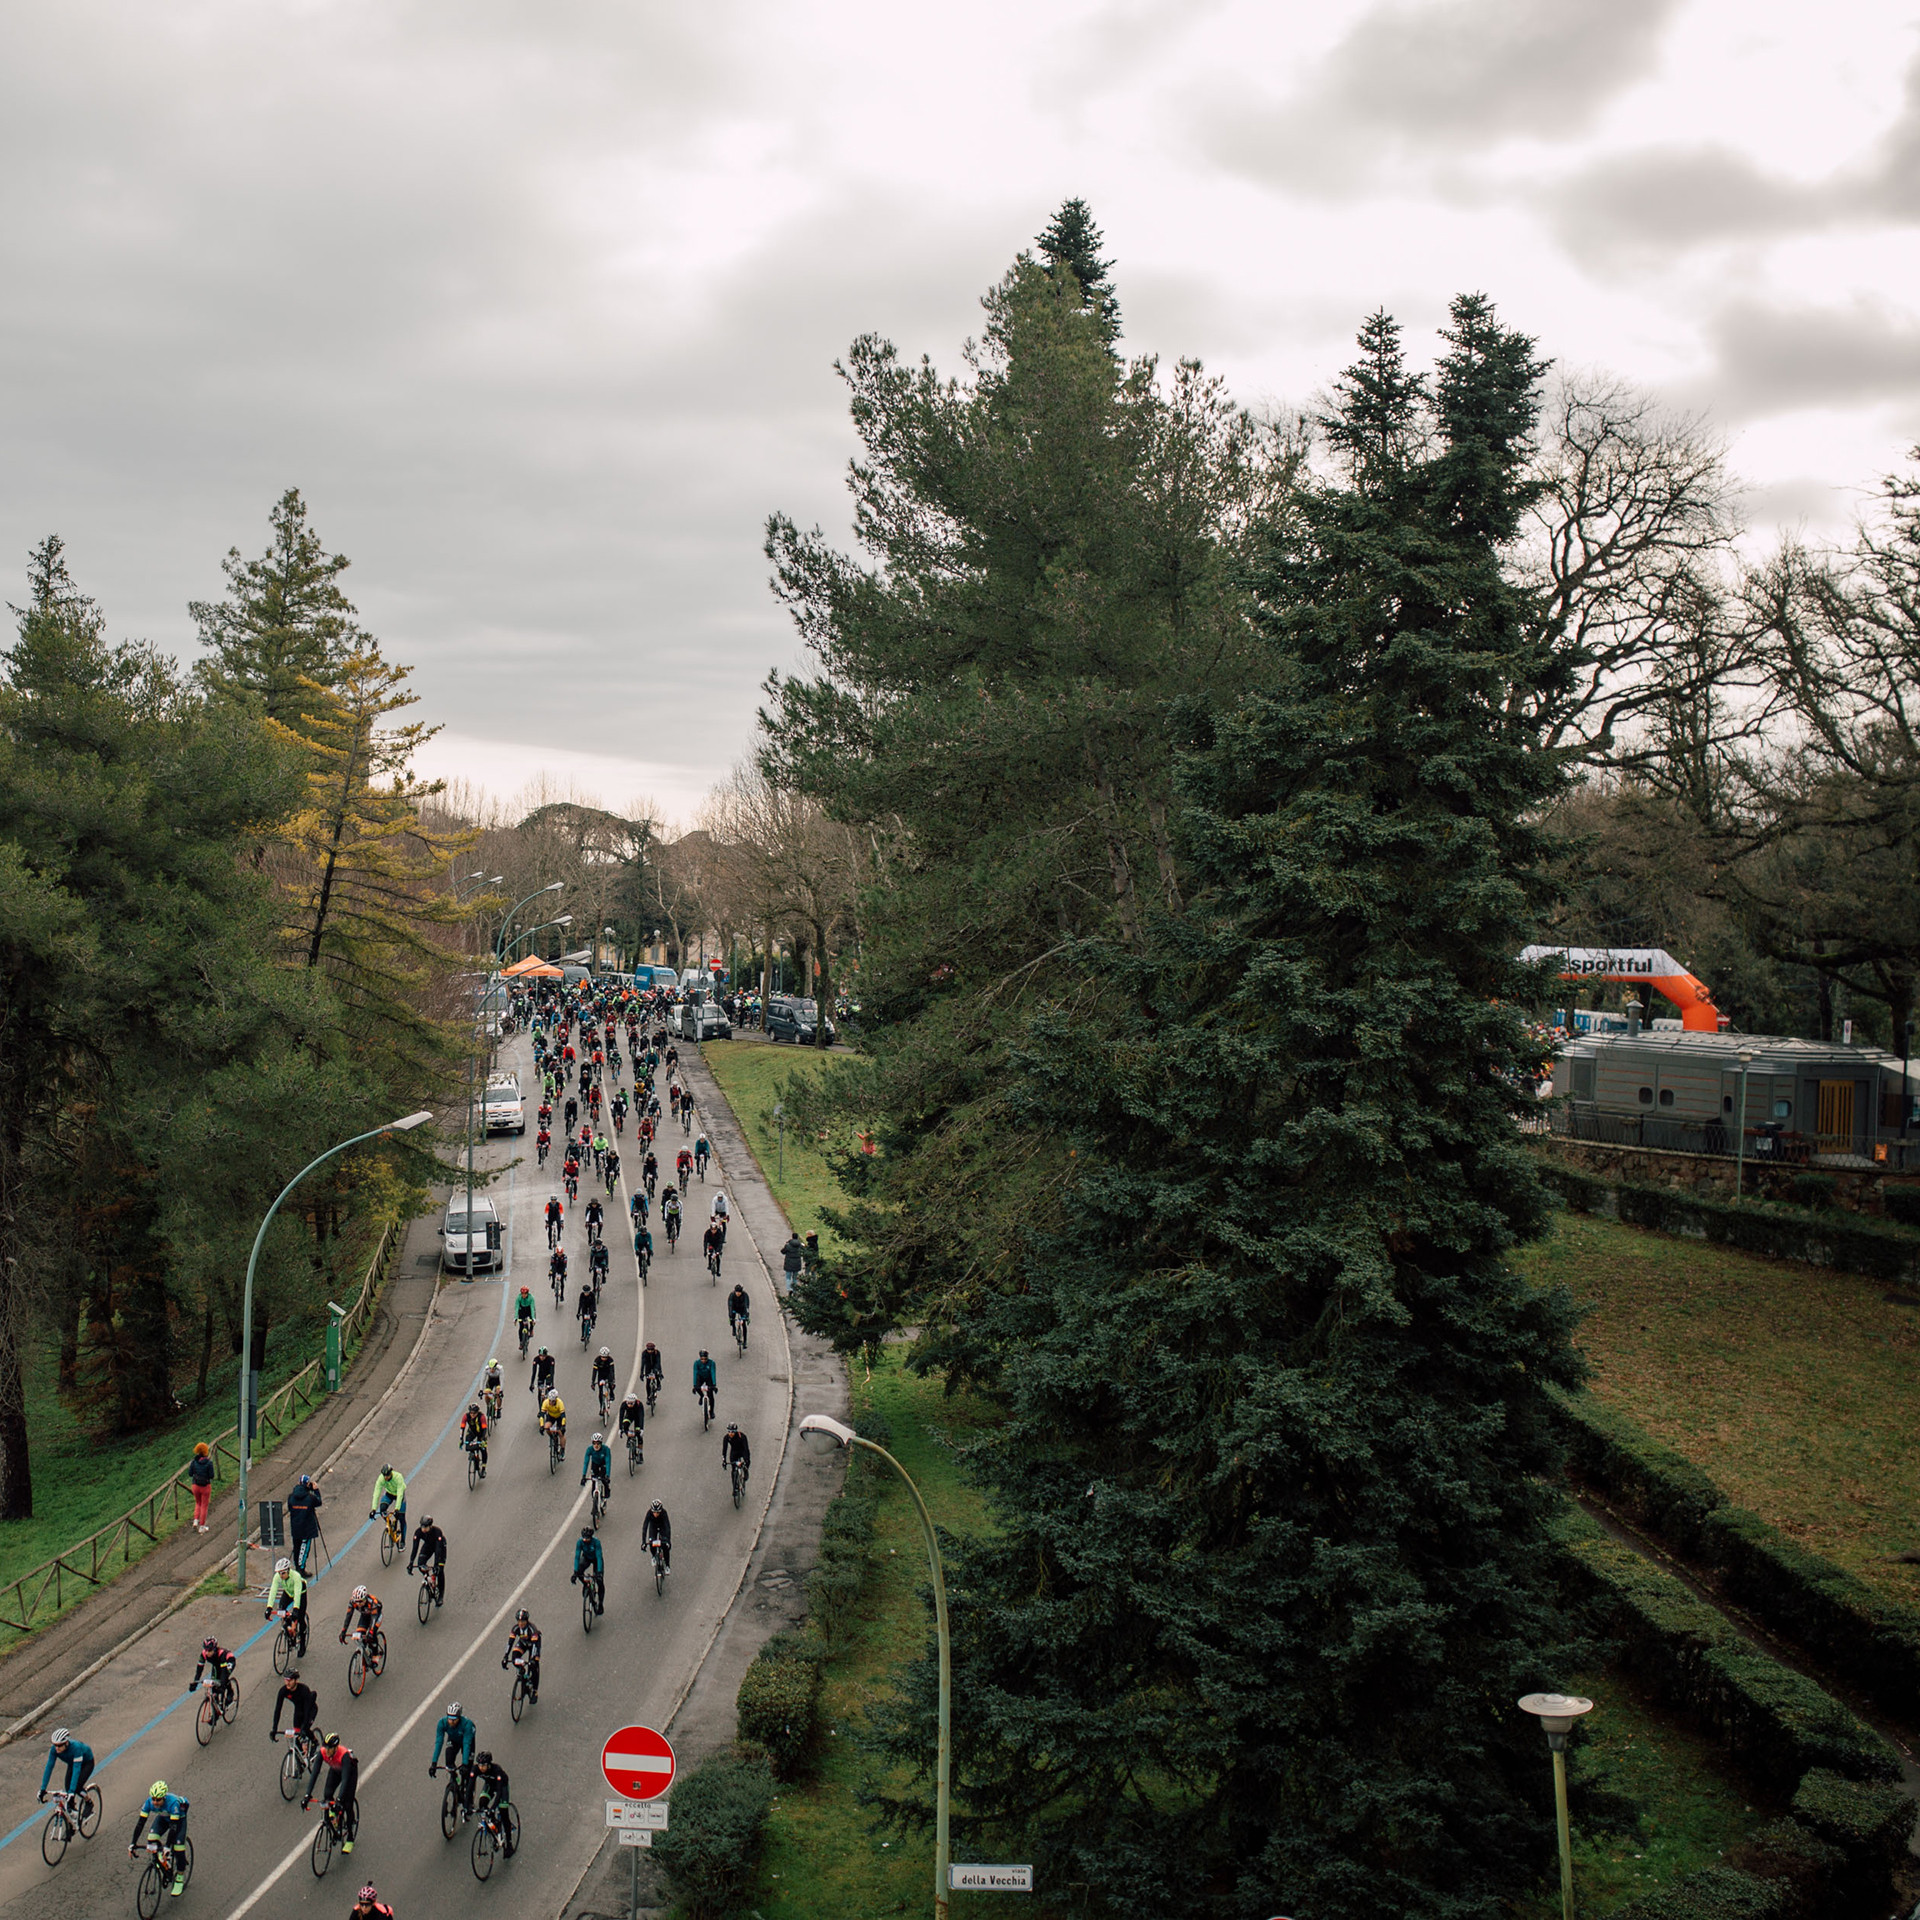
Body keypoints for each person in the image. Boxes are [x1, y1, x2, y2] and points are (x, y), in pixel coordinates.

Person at [303, 1730, 359, 1850]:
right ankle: (333, 1818)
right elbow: (314, 1774)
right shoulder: (323, 1752)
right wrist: (307, 1794)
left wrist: (339, 1800)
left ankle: (350, 1837)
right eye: (325, 1748)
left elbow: (345, 1779)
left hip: (348, 1773)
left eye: (329, 1749)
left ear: (335, 1748)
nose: (327, 1751)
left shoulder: (344, 1756)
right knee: (327, 1794)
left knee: (347, 1803)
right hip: (335, 1770)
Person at [128, 1781, 189, 1892]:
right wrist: (133, 1843)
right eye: (153, 1799)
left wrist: (167, 1846)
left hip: (178, 1820)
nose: (155, 1802)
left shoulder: (173, 1803)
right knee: (151, 1839)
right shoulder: (149, 1803)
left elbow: (173, 1828)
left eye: (158, 1800)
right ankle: (164, 1860)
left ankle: (179, 1877)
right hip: (163, 1818)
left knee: (178, 1847)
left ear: (164, 1798)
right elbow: (140, 1823)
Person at [428, 1700, 478, 1814]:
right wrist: (433, 1763)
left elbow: (466, 1744)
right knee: (449, 1761)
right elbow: (439, 1742)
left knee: (468, 1770)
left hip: (467, 1741)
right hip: (454, 1740)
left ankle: (468, 1798)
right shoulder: (442, 1723)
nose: (451, 1721)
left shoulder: (467, 1725)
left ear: (459, 1718)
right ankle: (454, 1782)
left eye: (454, 1719)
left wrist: (465, 1764)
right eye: (449, 1719)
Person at [265, 1555, 310, 1655]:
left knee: (300, 1617)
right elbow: (273, 1591)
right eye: (279, 1573)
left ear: (288, 1570)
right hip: (288, 1593)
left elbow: (297, 1594)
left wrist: (296, 1609)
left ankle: (302, 1643)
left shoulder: (296, 1577)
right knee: (281, 1610)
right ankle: (289, 1631)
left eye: (283, 1573)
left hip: (300, 1593)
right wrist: (269, 1608)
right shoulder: (277, 1577)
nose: (281, 1575)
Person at [38, 1727, 94, 1805]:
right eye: (55, 1745)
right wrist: (42, 1789)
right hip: (72, 1763)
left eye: (59, 1745)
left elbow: (76, 1770)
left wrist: (72, 1792)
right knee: (68, 1789)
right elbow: (49, 1767)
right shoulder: (54, 1749)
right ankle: (72, 1808)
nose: (57, 1748)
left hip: (87, 1763)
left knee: (76, 1788)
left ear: (66, 1743)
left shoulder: (76, 1748)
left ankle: (89, 1802)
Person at [471, 1749, 514, 1848]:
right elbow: (470, 1787)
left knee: (503, 1812)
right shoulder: (476, 1769)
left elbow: (499, 1793)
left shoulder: (496, 1770)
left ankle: (509, 1843)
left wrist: (493, 1808)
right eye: (480, 1765)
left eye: (484, 1765)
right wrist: (465, 1807)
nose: (481, 1768)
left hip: (501, 1786)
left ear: (489, 1764)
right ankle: (494, 1825)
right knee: (482, 1803)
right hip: (490, 1784)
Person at [408, 1514, 449, 1606]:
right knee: (420, 1564)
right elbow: (415, 1548)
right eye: (422, 1526)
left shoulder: (437, 1532)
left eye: (425, 1527)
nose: (423, 1529)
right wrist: (411, 1563)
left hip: (440, 1546)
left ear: (430, 1526)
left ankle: (441, 1596)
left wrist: (436, 1565)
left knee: (440, 1570)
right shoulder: (418, 1532)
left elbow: (438, 1550)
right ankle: (429, 1580)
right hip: (429, 1546)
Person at [501, 1608, 541, 1703]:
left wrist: (532, 1659)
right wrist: (505, 1656)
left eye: (522, 1621)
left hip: (534, 1644)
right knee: (514, 1658)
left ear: (526, 1621)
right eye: (519, 1621)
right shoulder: (516, 1629)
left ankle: (535, 1691)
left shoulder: (532, 1629)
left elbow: (535, 1646)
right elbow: (510, 1643)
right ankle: (523, 1676)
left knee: (534, 1665)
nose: (520, 1623)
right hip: (523, 1643)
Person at [270, 1671, 319, 1746]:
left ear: (296, 1680)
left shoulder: (304, 1690)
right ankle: (300, 1755)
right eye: (286, 1680)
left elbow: (307, 1711)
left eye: (290, 1680)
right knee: (296, 1737)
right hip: (299, 1710)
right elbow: (278, 1710)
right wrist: (274, 1729)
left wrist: (303, 1727)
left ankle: (315, 1742)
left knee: (305, 1729)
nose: (287, 1683)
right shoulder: (283, 1691)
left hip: (310, 1709)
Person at [288, 1469, 323, 1571]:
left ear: (298, 1483)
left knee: (296, 1548)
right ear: (308, 1484)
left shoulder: (291, 1497)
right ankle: (301, 1569)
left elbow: (290, 1508)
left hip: (295, 1527)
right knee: (304, 1549)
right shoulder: (310, 1498)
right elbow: (319, 1502)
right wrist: (316, 1490)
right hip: (307, 1529)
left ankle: (297, 1566)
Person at [369, 1463, 406, 1545]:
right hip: (389, 1494)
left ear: (391, 1473)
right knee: (382, 1509)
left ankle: (403, 1541)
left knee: (401, 1518)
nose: (386, 1477)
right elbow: (376, 1493)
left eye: (387, 1475)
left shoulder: (398, 1477)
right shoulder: (381, 1479)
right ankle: (391, 1526)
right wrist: (373, 1509)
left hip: (399, 1495)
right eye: (384, 1475)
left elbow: (400, 1494)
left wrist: (397, 1509)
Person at [188, 1633, 234, 1699]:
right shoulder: (204, 1654)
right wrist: (195, 1683)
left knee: (224, 1677)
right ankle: (216, 1705)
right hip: (217, 1665)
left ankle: (230, 1691)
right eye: (205, 1649)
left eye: (209, 1650)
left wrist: (222, 1686)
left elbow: (224, 1672)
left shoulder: (221, 1654)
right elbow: (199, 1670)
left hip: (228, 1662)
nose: (207, 1652)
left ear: (214, 1649)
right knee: (214, 1684)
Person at [571, 1523, 605, 1614]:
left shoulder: (596, 1542)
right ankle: (586, 1584)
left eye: (587, 1538)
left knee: (600, 1582)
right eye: (584, 1538)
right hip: (586, 1557)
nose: (585, 1540)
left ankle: (600, 1603)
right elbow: (577, 1557)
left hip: (596, 1559)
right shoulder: (580, 1542)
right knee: (579, 1572)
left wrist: (599, 1573)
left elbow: (598, 1557)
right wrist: (575, 1572)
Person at [188, 1440, 214, 1533]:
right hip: (205, 1486)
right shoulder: (209, 1463)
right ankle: (202, 1527)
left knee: (198, 1503)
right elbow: (211, 1475)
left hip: (195, 1485)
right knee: (204, 1505)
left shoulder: (194, 1462)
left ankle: (195, 1521)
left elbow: (190, 1473)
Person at [581, 1430, 612, 1504]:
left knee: (603, 1479)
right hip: (595, 1464)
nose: (596, 1445)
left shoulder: (606, 1449)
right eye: (594, 1443)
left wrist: (607, 1475)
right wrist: (583, 1475)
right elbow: (586, 1462)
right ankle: (594, 1499)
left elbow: (608, 1462)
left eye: (598, 1443)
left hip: (603, 1464)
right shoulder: (589, 1449)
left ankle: (606, 1492)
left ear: (601, 1443)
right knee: (594, 1481)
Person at [641, 1499, 671, 1570]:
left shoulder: (664, 1513)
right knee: (652, 1542)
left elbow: (667, 1527)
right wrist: (643, 1542)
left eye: (658, 1513)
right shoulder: (649, 1513)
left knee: (665, 1547)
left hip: (662, 1527)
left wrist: (668, 1541)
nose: (656, 1514)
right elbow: (645, 1527)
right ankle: (653, 1556)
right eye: (654, 1512)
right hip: (653, 1527)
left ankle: (667, 1565)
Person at [459, 1401, 489, 1475]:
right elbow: (462, 1428)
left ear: (477, 1412)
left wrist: (482, 1439)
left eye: (474, 1413)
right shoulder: (466, 1416)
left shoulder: (481, 1417)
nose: (472, 1415)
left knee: (483, 1449)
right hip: (472, 1432)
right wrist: (461, 1439)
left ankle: (483, 1468)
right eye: (471, 1413)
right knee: (468, 1447)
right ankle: (474, 1456)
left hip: (481, 1433)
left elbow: (485, 1429)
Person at [617, 1389, 644, 1460]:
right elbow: (621, 1416)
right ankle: (629, 1437)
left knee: (638, 1434)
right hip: (629, 1416)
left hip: (637, 1417)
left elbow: (641, 1417)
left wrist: (641, 1429)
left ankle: (640, 1453)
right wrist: (620, 1428)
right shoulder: (623, 1404)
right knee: (625, 1426)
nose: (629, 1405)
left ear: (635, 1402)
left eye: (631, 1403)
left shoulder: (639, 1405)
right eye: (628, 1403)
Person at [722, 1422, 751, 1489]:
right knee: (733, 1468)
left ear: (735, 1431)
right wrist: (724, 1461)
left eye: (732, 1432)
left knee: (747, 1461)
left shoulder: (742, 1436)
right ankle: (735, 1487)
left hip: (742, 1450)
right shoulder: (726, 1438)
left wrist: (746, 1460)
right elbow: (724, 1449)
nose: (730, 1433)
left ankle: (745, 1471)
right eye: (729, 1431)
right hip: (734, 1451)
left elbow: (746, 1449)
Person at [691, 1347, 717, 1416]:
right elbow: (695, 1373)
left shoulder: (711, 1363)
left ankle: (711, 1411)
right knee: (697, 1388)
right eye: (702, 1359)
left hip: (708, 1377)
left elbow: (713, 1372)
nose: (703, 1360)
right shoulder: (696, 1363)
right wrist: (694, 1385)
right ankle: (702, 1396)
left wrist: (714, 1385)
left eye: (705, 1359)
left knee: (710, 1395)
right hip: (700, 1377)